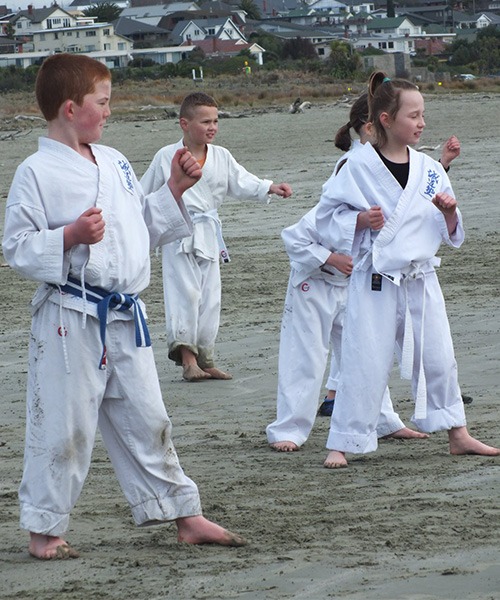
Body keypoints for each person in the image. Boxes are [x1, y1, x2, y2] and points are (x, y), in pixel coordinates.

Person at [2, 54, 246, 560]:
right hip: (70, 316)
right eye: (103, 102)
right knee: (64, 426)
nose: (110, 111)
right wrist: (67, 235)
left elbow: (139, 226)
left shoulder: (114, 160)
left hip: (123, 315)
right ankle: (45, 530)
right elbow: (17, 247)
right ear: (71, 109)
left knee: (148, 416)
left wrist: (175, 189)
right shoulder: (36, 171)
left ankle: (183, 511)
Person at [314, 71, 499, 468]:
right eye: (413, 116)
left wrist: (449, 215)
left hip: (420, 278)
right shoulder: (356, 166)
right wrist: (360, 221)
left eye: (422, 115)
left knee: (439, 355)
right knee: (366, 358)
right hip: (376, 280)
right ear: (385, 119)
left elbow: (447, 230)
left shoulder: (429, 168)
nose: (422, 123)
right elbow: (325, 221)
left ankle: (457, 432)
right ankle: (342, 442)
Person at [266, 94, 428, 452]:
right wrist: (328, 257)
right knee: (305, 357)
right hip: (314, 281)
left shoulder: (386, 170)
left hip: (352, 284)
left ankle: (385, 420)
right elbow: (295, 236)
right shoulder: (350, 169)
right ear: (373, 127)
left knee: (366, 353)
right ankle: (289, 429)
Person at [140, 92, 292, 382]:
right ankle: (187, 360)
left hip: (208, 232)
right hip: (178, 232)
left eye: (216, 121)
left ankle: (206, 356)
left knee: (210, 297)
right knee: (184, 294)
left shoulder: (221, 156)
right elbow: (143, 190)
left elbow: (241, 180)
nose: (212, 127)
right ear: (184, 123)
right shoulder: (166, 156)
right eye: (205, 121)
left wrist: (270, 187)